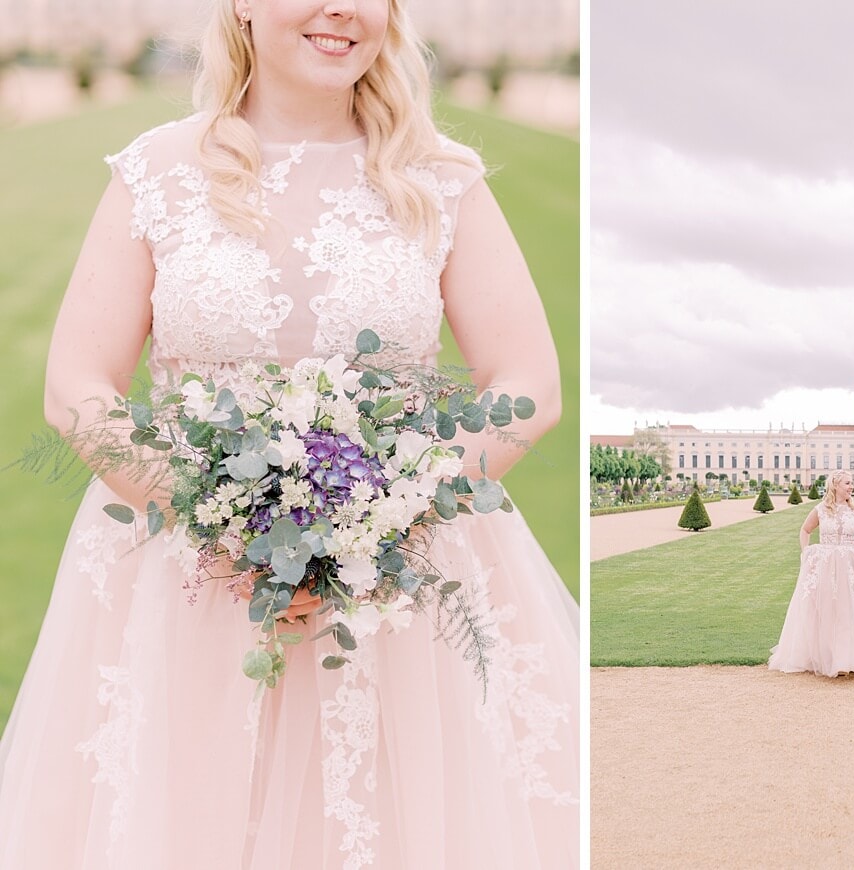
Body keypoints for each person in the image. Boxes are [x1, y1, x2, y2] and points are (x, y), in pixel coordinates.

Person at [0, 1, 578, 867]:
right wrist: (210, 520)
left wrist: (382, 522)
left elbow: (530, 386)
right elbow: (76, 390)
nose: (341, 10)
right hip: (187, 585)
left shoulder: (441, 179)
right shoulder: (158, 170)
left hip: (402, 590)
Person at [768, 471, 854, 678]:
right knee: (827, 612)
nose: (852, 487)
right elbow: (805, 530)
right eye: (847, 483)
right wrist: (806, 553)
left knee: (849, 612)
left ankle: (845, 660)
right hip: (827, 567)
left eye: (852, 483)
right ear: (836, 485)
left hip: (852, 567)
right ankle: (829, 657)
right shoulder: (821, 509)